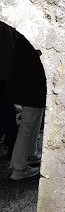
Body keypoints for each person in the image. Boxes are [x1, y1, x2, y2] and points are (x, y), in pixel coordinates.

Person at [7, 30, 46, 181]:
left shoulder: (22, 38)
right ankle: (19, 168)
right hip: (32, 86)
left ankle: (29, 154)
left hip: (27, 85)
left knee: (31, 122)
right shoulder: (30, 40)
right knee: (28, 125)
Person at [0, 22, 18, 160]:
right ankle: (11, 146)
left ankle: (11, 145)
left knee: (7, 110)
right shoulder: (5, 26)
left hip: (3, 77)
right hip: (4, 76)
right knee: (7, 110)